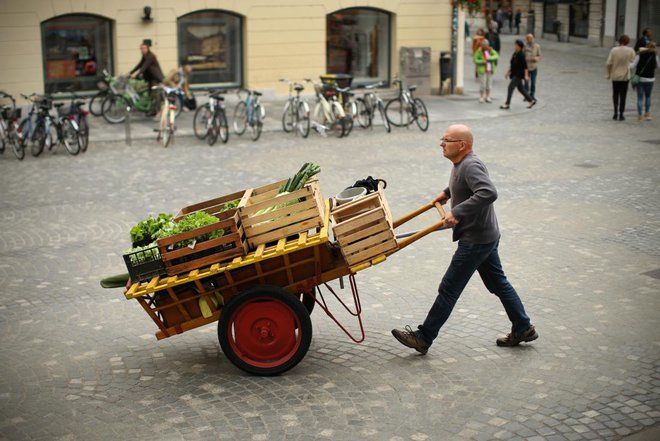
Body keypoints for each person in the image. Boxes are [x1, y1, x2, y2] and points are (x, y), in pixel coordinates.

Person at [391, 124, 538, 354]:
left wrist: (456, 212)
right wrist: (448, 192)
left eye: (446, 140)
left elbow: (488, 192)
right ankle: (523, 327)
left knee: (449, 288)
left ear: (462, 145)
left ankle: (424, 336)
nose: (441, 143)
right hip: (485, 235)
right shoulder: (461, 163)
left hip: (476, 240)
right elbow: (465, 185)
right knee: (498, 283)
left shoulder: (470, 165)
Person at [500, 39, 536, 109]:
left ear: (519, 46)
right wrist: (508, 72)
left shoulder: (521, 55)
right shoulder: (515, 53)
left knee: (510, 87)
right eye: (515, 45)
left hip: (518, 75)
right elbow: (512, 64)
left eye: (516, 45)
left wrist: (526, 76)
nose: (514, 46)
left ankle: (507, 104)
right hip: (514, 74)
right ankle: (531, 100)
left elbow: (525, 67)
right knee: (521, 89)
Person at [606, 35, 636, 121]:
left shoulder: (614, 50)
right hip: (625, 76)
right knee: (623, 95)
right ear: (627, 41)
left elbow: (608, 63)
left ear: (619, 41)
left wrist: (608, 74)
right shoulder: (630, 50)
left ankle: (615, 112)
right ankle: (621, 114)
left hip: (615, 75)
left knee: (615, 94)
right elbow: (633, 62)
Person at [130, 42, 164, 116]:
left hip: (155, 78)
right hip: (150, 78)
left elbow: (144, 67)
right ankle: (152, 110)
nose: (142, 50)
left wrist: (136, 75)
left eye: (144, 48)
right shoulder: (144, 56)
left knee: (155, 95)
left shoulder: (150, 56)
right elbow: (139, 65)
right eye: (141, 48)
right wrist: (130, 72)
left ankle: (159, 111)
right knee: (150, 94)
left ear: (148, 48)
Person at [630, 41, 659, 121]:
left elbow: (632, 66)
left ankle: (640, 116)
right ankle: (648, 113)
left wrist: (626, 63)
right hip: (650, 79)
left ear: (646, 46)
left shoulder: (640, 54)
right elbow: (658, 66)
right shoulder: (655, 55)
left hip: (641, 78)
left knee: (640, 98)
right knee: (648, 96)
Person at [523, 33, 542, 100]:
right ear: (526, 39)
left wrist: (534, 59)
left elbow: (539, 56)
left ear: (533, 38)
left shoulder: (537, 46)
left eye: (531, 38)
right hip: (526, 68)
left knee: (533, 83)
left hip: (534, 67)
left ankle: (532, 95)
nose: (529, 40)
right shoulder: (524, 46)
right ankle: (526, 95)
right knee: (526, 82)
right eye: (528, 38)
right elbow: (521, 55)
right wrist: (524, 58)